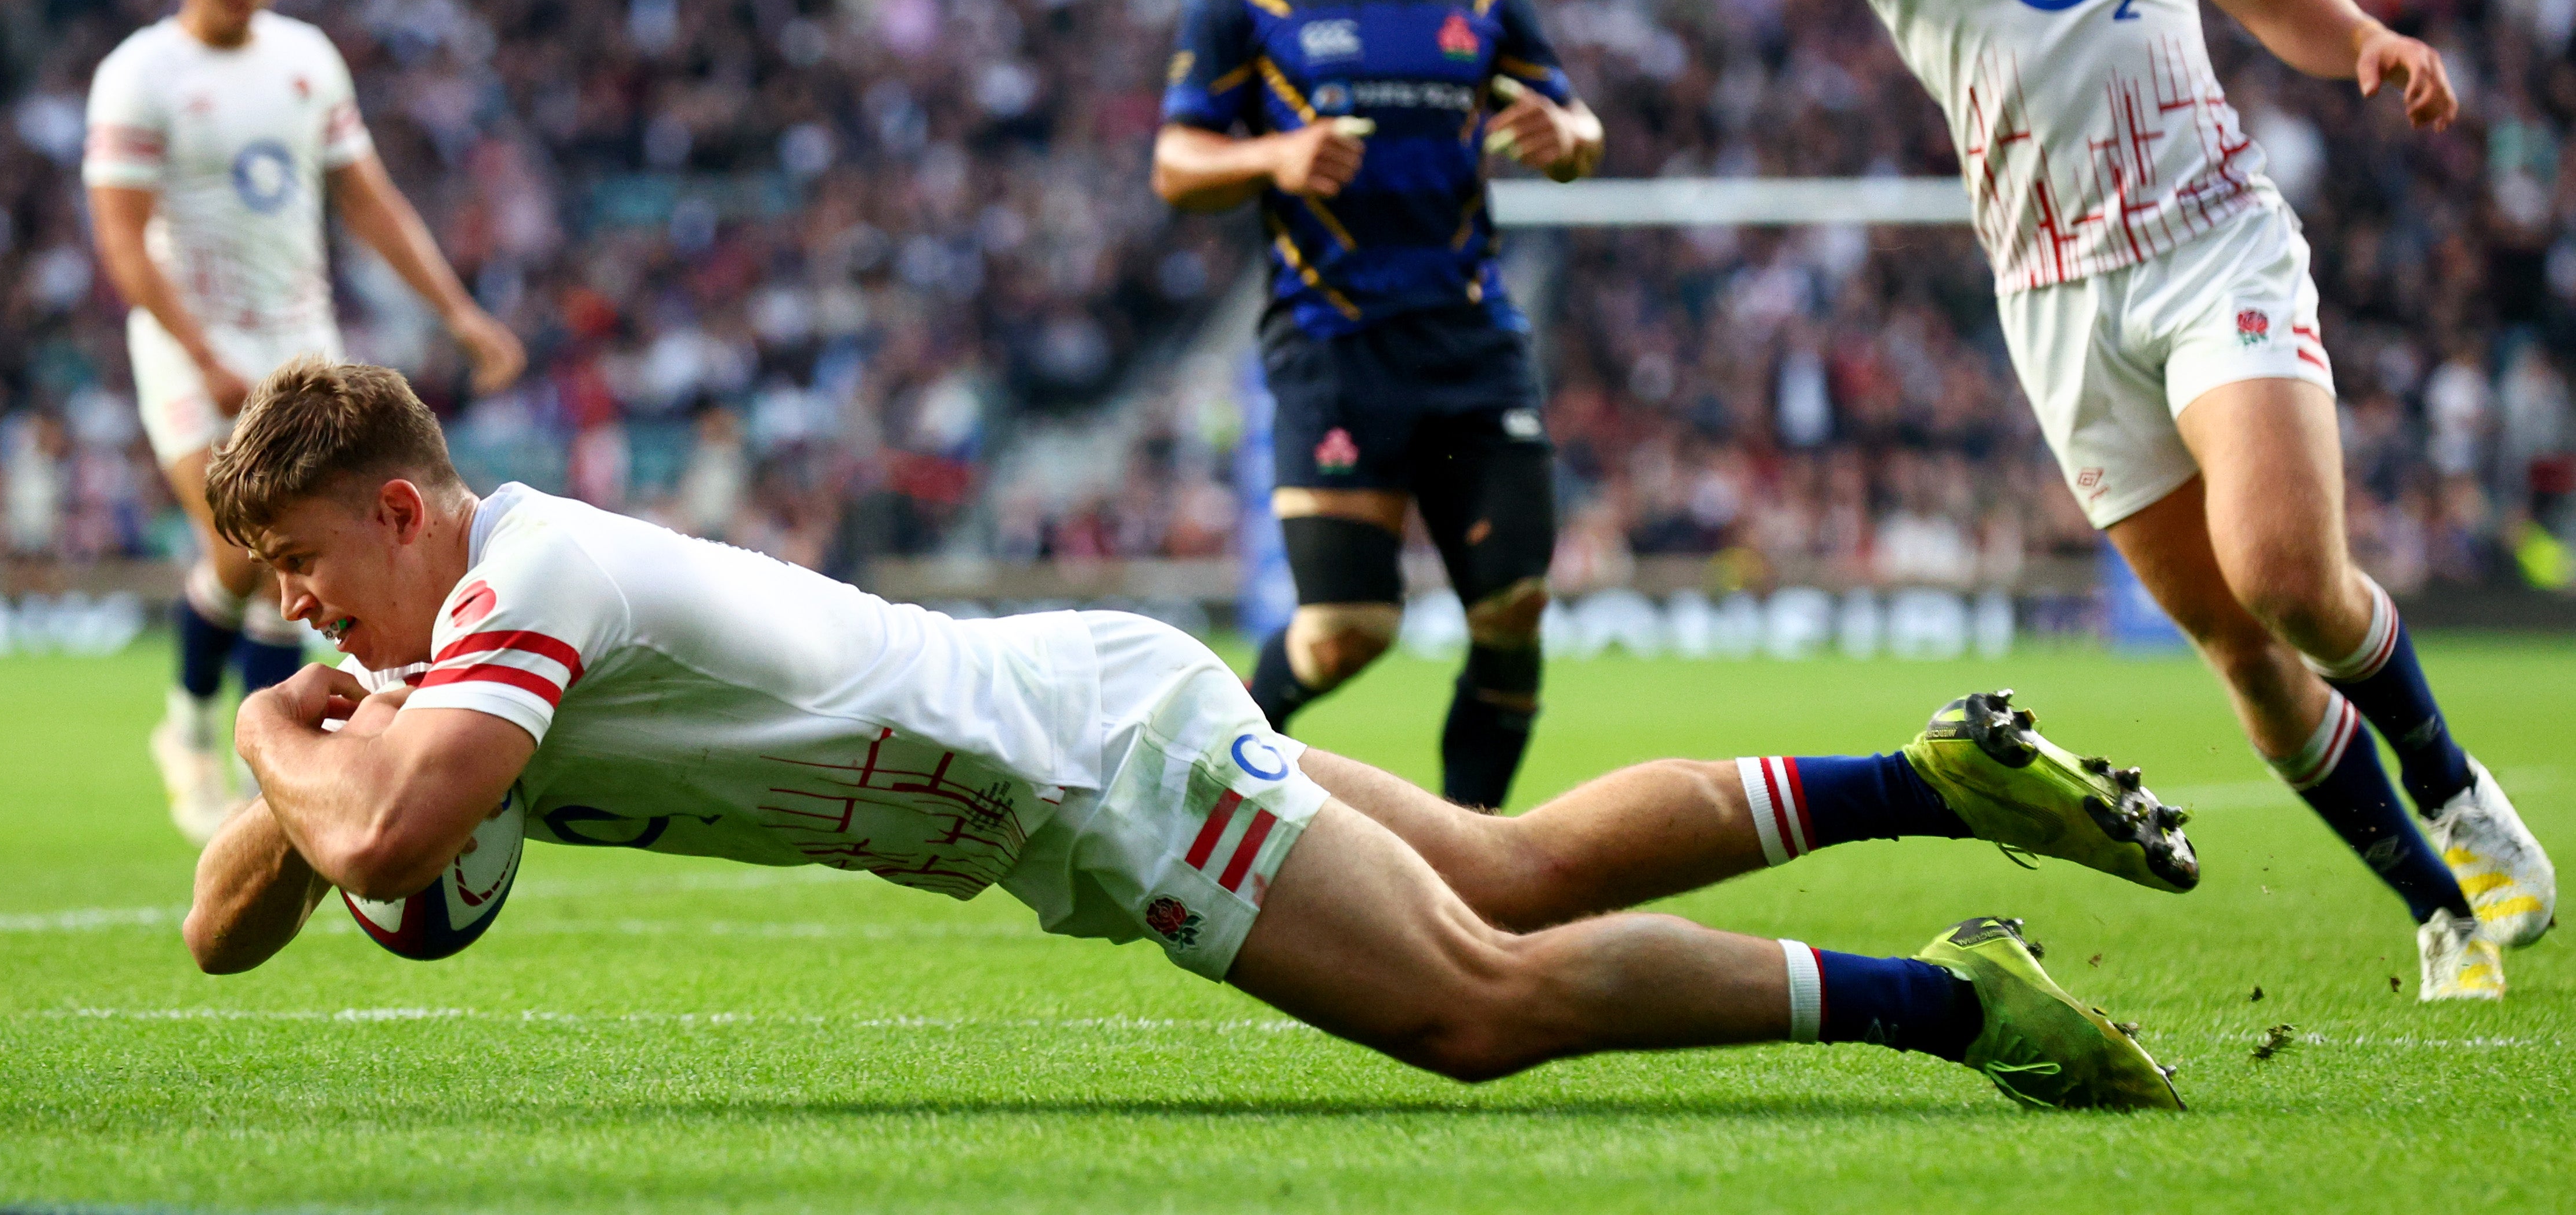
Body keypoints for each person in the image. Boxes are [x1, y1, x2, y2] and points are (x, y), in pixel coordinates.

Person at [1381, 0, 2555, 998]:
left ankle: (2452, 789)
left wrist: (2365, 37)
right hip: (2054, 300)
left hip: (2210, 241)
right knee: (2239, 651)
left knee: (2287, 573)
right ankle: (2443, 910)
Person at [189, 356, 2196, 1110]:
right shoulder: (429, 649)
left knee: (1475, 1002)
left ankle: (1949, 1006)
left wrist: (299, 732)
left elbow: (376, 846)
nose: (295, 613)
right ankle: (1918, 780)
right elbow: (229, 921)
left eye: (299, 568)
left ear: (399, 506)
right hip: (1072, 715)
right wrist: (309, 740)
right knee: (1511, 872)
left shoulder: (521, 583)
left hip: (1085, 764)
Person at [1151, 0, 1604, 811]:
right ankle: (1190, 788)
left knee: (1515, 607)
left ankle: (1475, 846)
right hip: (1332, 343)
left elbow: (1574, 120)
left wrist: (1568, 141)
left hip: (1471, 340)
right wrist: (1276, 154)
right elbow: (1175, 162)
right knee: (1348, 630)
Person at [84, 0, 526, 845]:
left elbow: (367, 198)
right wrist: (199, 352)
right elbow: (121, 237)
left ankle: (257, 791)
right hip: (186, 348)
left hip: (298, 348)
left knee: (303, 566)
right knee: (245, 551)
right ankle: (194, 731)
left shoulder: (308, 60)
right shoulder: (139, 76)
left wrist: (459, 314)